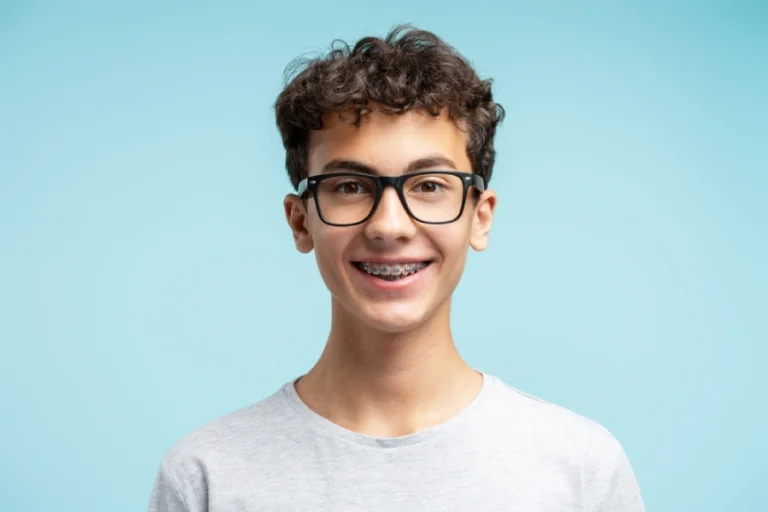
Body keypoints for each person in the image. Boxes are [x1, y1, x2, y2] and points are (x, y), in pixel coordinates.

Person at [147, 25, 645, 511]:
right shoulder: (205, 477)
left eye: (429, 185)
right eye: (348, 186)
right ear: (301, 222)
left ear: (480, 216)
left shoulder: (581, 469)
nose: (390, 226)